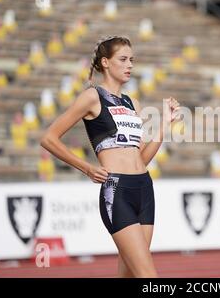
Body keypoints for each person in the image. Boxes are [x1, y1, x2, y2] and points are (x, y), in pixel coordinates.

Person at [40, 36, 180, 278]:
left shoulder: (131, 103)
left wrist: (164, 126)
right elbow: (49, 138)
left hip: (144, 189)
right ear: (105, 62)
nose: (130, 65)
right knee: (149, 277)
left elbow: (142, 158)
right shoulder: (92, 97)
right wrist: (86, 168)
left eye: (132, 60)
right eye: (123, 59)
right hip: (118, 192)